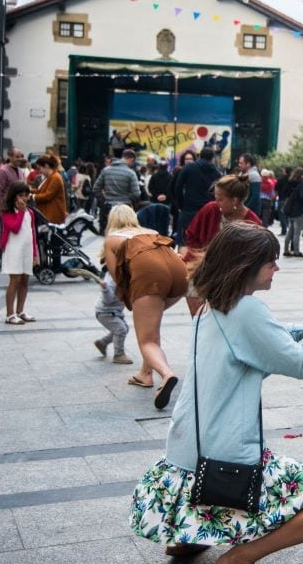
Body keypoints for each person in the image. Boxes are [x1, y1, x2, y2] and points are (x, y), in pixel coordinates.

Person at [129, 223, 303, 564]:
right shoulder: (247, 309)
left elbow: (256, 338)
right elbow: (300, 365)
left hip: (188, 448)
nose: (277, 270)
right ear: (247, 266)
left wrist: (299, 329)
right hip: (226, 453)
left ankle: (191, 536)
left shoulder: (210, 304)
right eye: (271, 263)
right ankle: (235, 563)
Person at [103, 205, 187, 407]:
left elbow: (118, 277)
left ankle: (166, 374)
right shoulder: (149, 231)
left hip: (149, 273)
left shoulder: (112, 239)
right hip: (179, 271)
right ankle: (145, 374)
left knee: (147, 339)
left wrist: (131, 300)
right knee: (150, 327)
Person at [183, 174, 264, 315]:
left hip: (231, 276)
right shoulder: (210, 209)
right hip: (201, 268)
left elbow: (254, 256)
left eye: (220, 199)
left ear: (235, 200)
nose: (216, 202)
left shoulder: (252, 222)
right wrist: (198, 255)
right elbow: (192, 235)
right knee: (197, 312)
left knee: (224, 315)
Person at [0, 182, 39, 325]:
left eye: (26, 195)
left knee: (25, 280)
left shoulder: (31, 212)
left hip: (26, 249)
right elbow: (14, 228)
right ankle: (10, 314)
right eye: (20, 195)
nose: (23, 198)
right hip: (13, 249)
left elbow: (32, 233)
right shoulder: (7, 212)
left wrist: (35, 253)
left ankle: (21, 310)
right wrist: (21, 212)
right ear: (14, 196)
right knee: (14, 280)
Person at [174, 147, 221, 246]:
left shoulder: (189, 167)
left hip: (188, 210)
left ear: (200, 156)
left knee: (184, 241)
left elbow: (178, 187)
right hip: (207, 212)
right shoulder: (217, 173)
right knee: (203, 243)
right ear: (212, 158)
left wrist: (181, 205)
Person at [93, 149, 141, 233]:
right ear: (131, 159)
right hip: (125, 209)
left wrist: (104, 201)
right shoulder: (131, 173)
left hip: (108, 208)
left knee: (110, 234)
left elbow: (96, 189)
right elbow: (136, 194)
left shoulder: (106, 170)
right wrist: (127, 198)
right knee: (124, 234)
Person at [93, 270, 133, 365]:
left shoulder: (121, 277)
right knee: (121, 330)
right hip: (105, 312)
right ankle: (119, 355)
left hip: (114, 311)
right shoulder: (111, 281)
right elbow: (108, 300)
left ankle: (102, 343)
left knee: (124, 329)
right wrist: (105, 289)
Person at [32, 155, 68, 225]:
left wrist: (32, 196)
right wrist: (29, 190)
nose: (39, 171)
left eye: (40, 168)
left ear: (46, 166)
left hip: (53, 214)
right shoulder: (49, 177)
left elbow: (47, 196)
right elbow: (40, 190)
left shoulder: (55, 177)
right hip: (47, 213)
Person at [282, 168, 303, 257]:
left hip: (290, 210)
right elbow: (302, 197)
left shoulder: (291, 183)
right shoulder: (301, 184)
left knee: (290, 231)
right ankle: (296, 252)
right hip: (298, 211)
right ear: (301, 175)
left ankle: (286, 250)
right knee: (297, 233)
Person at [0, 148, 28, 215]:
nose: (20, 159)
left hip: (19, 207)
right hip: (7, 208)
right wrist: (2, 206)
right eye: (17, 157)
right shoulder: (3, 171)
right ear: (10, 157)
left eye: (21, 156)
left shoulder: (21, 171)